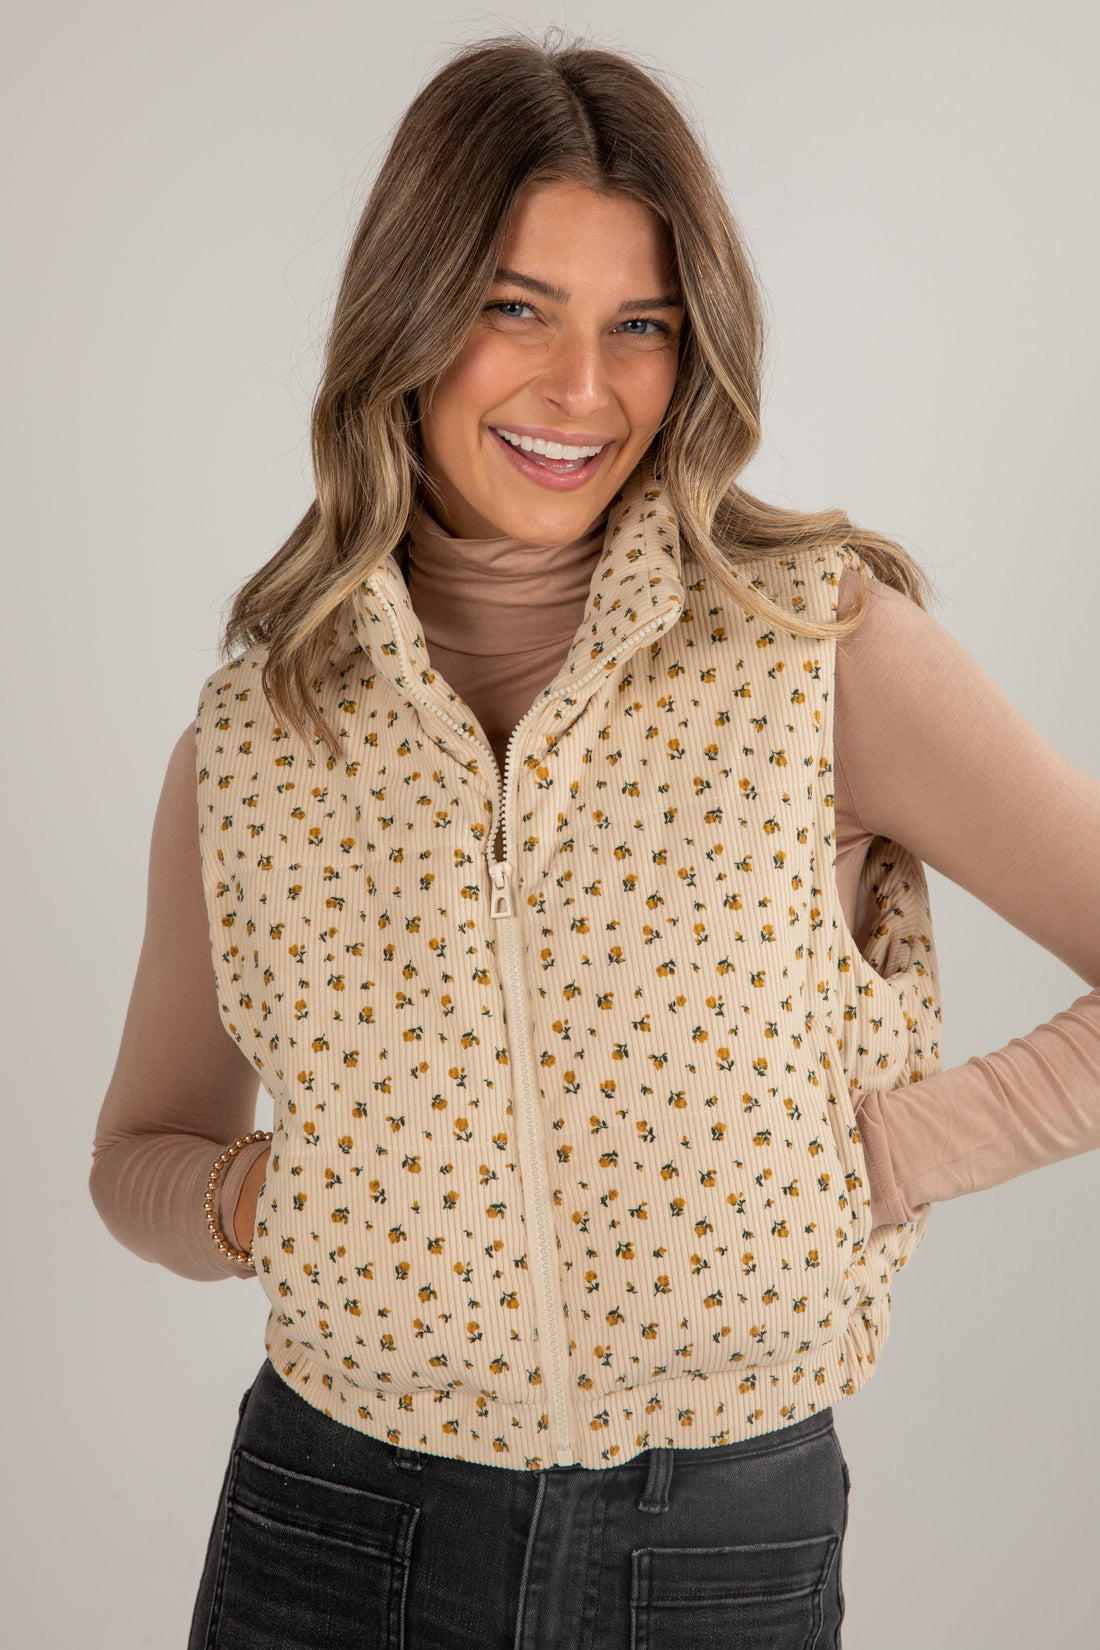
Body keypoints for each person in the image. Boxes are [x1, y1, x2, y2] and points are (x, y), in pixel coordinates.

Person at [89, 32, 1100, 1650]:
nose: (585, 387)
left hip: (712, 1534)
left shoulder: (812, 648)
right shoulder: (254, 741)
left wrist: (885, 1156)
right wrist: (270, 1205)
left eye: (641, 325)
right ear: (408, 320)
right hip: (332, 1520)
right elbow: (136, 1150)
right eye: (516, 307)